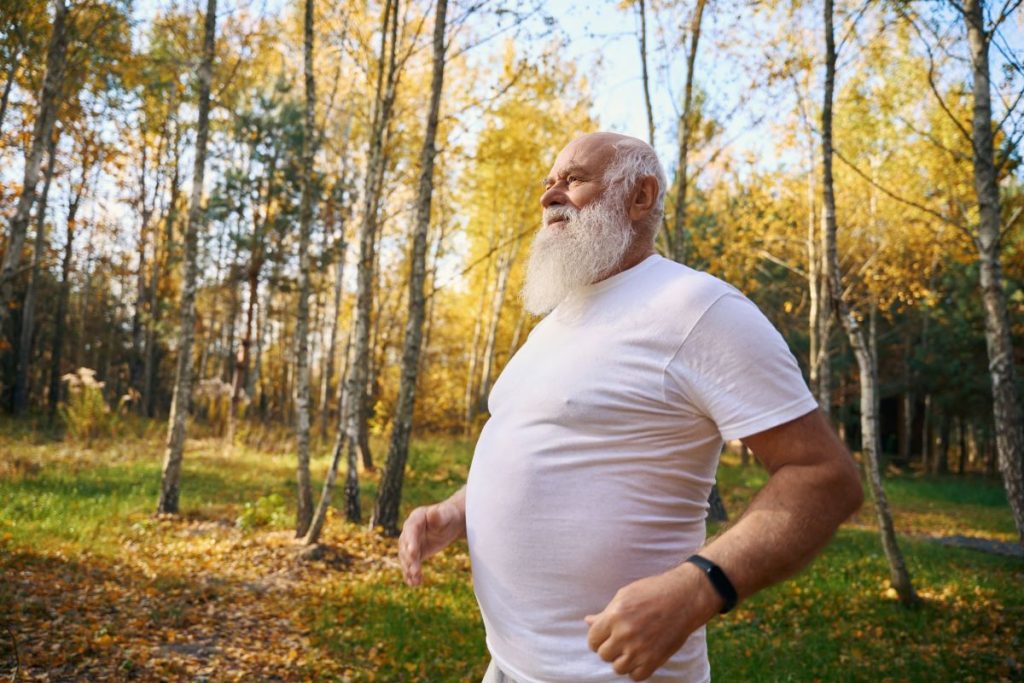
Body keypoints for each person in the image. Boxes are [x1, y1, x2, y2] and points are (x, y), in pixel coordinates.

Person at [398, 132, 863, 683]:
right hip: (510, 667)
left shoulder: (698, 308)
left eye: (573, 179)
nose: (550, 195)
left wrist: (700, 586)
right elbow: (549, 451)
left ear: (641, 196)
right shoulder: (555, 323)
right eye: (549, 182)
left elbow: (823, 476)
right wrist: (458, 511)